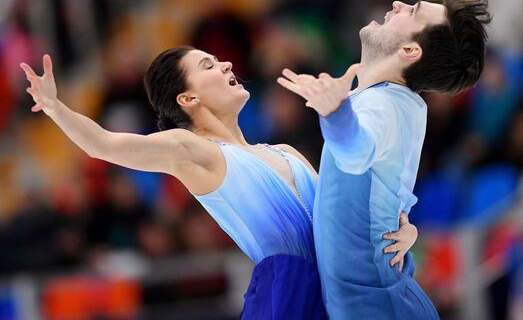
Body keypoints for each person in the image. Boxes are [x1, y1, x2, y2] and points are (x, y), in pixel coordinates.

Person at [20, 47, 419, 319]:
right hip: (288, 293)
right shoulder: (194, 151)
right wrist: (55, 107)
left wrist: (405, 229)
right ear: (188, 99)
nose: (227, 65)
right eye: (209, 66)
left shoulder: (287, 151)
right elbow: (103, 145)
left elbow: (342, 216)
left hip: (339, 285)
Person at [278, 0, 491, 319]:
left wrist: (335, 113)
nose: (397, 4)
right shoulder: (401, 104)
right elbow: (390, 194)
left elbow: (355, 154)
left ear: (410, 51)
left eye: (413, 11)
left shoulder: (382, 106)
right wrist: (408, 226)